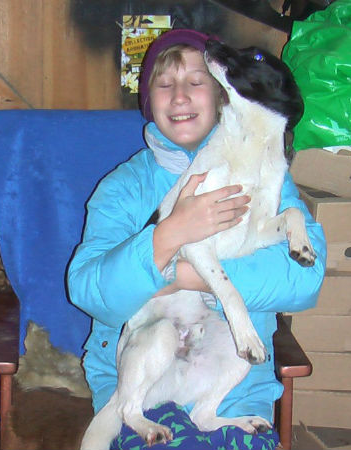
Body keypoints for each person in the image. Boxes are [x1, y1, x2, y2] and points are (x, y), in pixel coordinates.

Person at [67, 29, 327, 450]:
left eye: (195, 81)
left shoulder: (270, 172)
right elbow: (88, 290)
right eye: (164, 84)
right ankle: (129, 415)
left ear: (223, 92)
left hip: (232, 387)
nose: (180, 96)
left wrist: (183, 277)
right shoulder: (122, 189)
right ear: (148, 101)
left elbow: (305, 279)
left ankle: (207, 414)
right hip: (141, 382)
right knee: (160, 338)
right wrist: (170, 233)